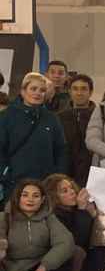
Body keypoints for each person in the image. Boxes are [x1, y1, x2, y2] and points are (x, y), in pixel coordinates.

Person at [0, 178, 73, 271]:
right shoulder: (4, 218)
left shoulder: (48, 218)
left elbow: (66, 241)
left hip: (38, 268)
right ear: (18, 198)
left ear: (42, 199)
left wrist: (43, 267)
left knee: (68, 254)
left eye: (36, 196)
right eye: (25, 195)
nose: (30, 199)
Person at [0, 73, 68, 201]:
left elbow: (61, 150)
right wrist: (5, 174)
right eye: (33, 89)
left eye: (42, 90)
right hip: (14, 184)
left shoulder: (52, 118)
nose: (38, 93)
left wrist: (57, 177)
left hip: (45, 185)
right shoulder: (6, 117)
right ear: (23, 91)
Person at [42, 173, 93, 271]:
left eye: (71, 188)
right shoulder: (53, 215)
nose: (72, 192)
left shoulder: (75, 210)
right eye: (64, 191)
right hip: (51, 256)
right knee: (75, 251)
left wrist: (90, 212)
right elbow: (75, 240)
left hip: (77, 255)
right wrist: (82, 210)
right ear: (54, 197)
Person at [58, 73, 97, 188]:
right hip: (66, 176)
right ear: (69, 91)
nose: (79, 93)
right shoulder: (59, 118)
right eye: (75, 89)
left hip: (93, 175)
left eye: (84, 89)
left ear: (90, 92)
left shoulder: (101, 117)